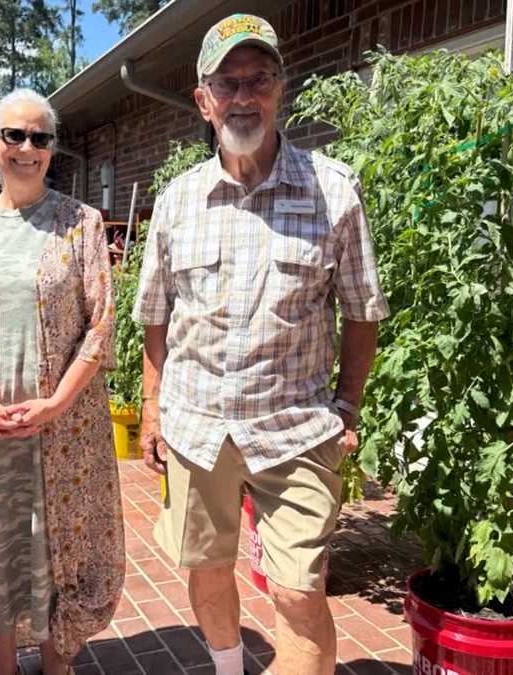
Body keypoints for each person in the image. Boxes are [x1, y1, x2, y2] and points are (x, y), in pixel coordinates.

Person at [133, 14, 390, 675]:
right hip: (197, 428)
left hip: (295, 429)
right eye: (227, 82)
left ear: (281, 89)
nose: (243, 96)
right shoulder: (176, 201)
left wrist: (348, 406)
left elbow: (363, 313)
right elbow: (155, 314)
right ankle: (227, 666)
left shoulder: (333, 191)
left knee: (301, 590)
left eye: (259, 80)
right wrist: (153, 407)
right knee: (208, 566)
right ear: (203, 98)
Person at [0, 89, 123, 675]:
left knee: (56, 537)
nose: (27, 148)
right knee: (1, 537)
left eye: (40, 138)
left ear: (51, 149)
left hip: (63, 427)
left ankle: (55, 654)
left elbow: (100, 326)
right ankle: (5, 660)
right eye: (14, 135)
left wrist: (55, 403)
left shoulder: (82, 225)